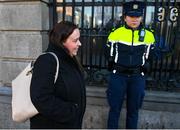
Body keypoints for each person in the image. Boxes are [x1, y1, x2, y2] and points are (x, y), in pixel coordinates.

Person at [104, 1, 155, 129]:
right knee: (114, 110)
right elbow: (107, 53)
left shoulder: (149, 35)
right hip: (118, 77)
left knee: (133, 111)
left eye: (137, 16)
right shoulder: (115, 33)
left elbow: (150, 56)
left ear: (141, 17)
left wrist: (145, 66)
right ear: (125, 17)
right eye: (131, 16)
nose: (134, 19)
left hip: (137, 78)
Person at [30, 21, 86, 129]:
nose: (80, 43)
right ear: (62, 41)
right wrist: (71, 111)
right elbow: (40, 98)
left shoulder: (70, 59)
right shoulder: (47, 61)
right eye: (75, 40)